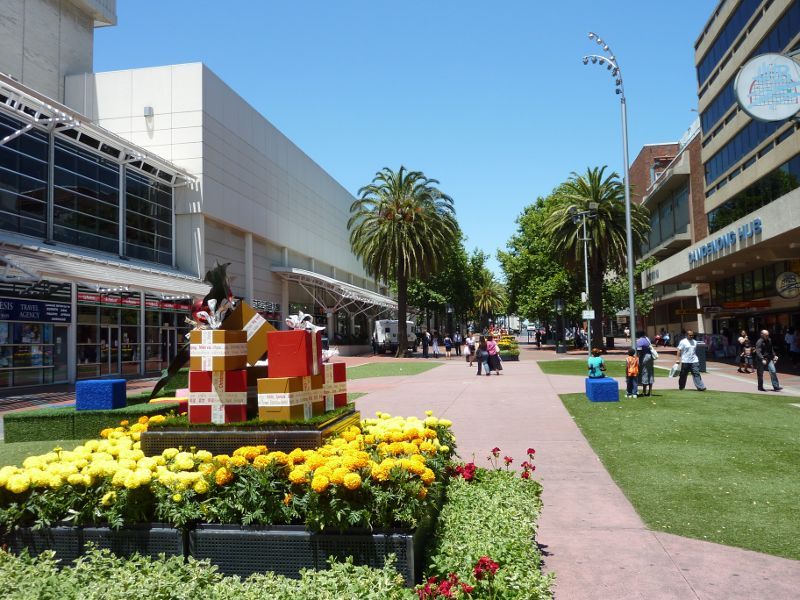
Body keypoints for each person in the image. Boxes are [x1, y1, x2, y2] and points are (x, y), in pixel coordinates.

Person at [636, 330, 655, 397]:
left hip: (644, 357)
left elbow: (639, 351)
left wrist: (637, 359)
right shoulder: (647, 339)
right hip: (650, 357)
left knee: (644, 373)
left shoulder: (639, 341)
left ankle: (644, 392)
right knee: (650, 373)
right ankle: (650, 392)